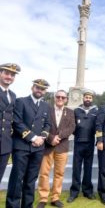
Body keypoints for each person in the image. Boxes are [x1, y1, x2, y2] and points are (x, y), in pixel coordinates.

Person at [6, 79, 51, 208]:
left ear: (45, 91)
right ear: (32, 88)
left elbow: (47, 124)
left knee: (31, 180)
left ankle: (27, 205)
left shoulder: (45, 106)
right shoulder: (21, 101)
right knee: (17, 179)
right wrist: (33, 137)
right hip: (22, 146)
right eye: (37, 87)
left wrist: (42, 137)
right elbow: (17, 122)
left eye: (42, 89)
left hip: (38, 148)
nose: (40, 90)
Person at [37, 90, 75, 208]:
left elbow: (72, 127)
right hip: (47, 146)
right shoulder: (47, 109)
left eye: (63, 97)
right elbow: (42, 125)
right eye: (58, 96)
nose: (60, 99)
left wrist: (59, 137)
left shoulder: (70, 112)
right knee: (44, 173)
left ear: (66, 99)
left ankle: (55, 198)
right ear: (54, 97)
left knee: (59, 173)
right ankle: (43, 198)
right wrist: (51, 138)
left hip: (62, 146)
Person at [67, 89, 98, 203]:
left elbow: (97, 126)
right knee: (76, 168)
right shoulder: (76, 111)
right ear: (83, 98)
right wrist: (79, 133)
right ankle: (74, 192)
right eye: (86, 97)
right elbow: (73, 127)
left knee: (88, 168)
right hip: (78, 142)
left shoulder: (96, 111)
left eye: (90, 98)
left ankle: (87, 191)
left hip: (89, 143)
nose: (88, 99)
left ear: (92, 99)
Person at [0, 63, 21, 183]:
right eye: (6, 73)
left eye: (12, 75)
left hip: (5, 143)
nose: (9, 77)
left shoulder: (13, 96)